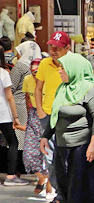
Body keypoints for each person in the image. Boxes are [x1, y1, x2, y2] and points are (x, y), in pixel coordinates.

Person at [40, 53, 94, 203]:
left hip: (82, 143)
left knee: (75, 184)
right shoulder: (63, 89)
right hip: (62, 143)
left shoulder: (89, 90)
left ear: (74, 70)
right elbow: (55, 115)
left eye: (63, 68)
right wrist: (46, 136)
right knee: (63, 183)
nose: (60, 71)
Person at [35, 31, 71, 203]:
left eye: (58, 47)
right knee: (50, 157)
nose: (53, 50)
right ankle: (60, 192)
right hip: (47, 115)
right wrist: (40, 111)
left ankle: (69, 191)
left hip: (67, 115)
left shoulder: (72, 64)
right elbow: (38, 88)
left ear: (67, 48)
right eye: (51, 47)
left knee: (66, 156)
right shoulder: (44, 63)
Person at [9, 40, 42, 172]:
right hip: (30, 103)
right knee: (28, 133)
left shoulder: (20, 66)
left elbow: (11, 87)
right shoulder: (37, 64)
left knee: (19, 134)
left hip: (18, 103)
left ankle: (19, 166)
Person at [22, 58, 50, 195]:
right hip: (34, 115)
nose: (35, 75)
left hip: (48, 114)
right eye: (33, 72)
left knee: (50, 152)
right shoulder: (28, 80)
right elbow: (27, 97)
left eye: (37, 72)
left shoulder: (49, 81)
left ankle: (50, 184)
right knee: (29, 153)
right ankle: (41, 177)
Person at [1, 49, 25, 185]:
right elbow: (9, 96)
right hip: (3, 113)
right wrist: (15, 117)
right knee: (13, 142)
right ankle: (10, 176)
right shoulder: (3, 73)